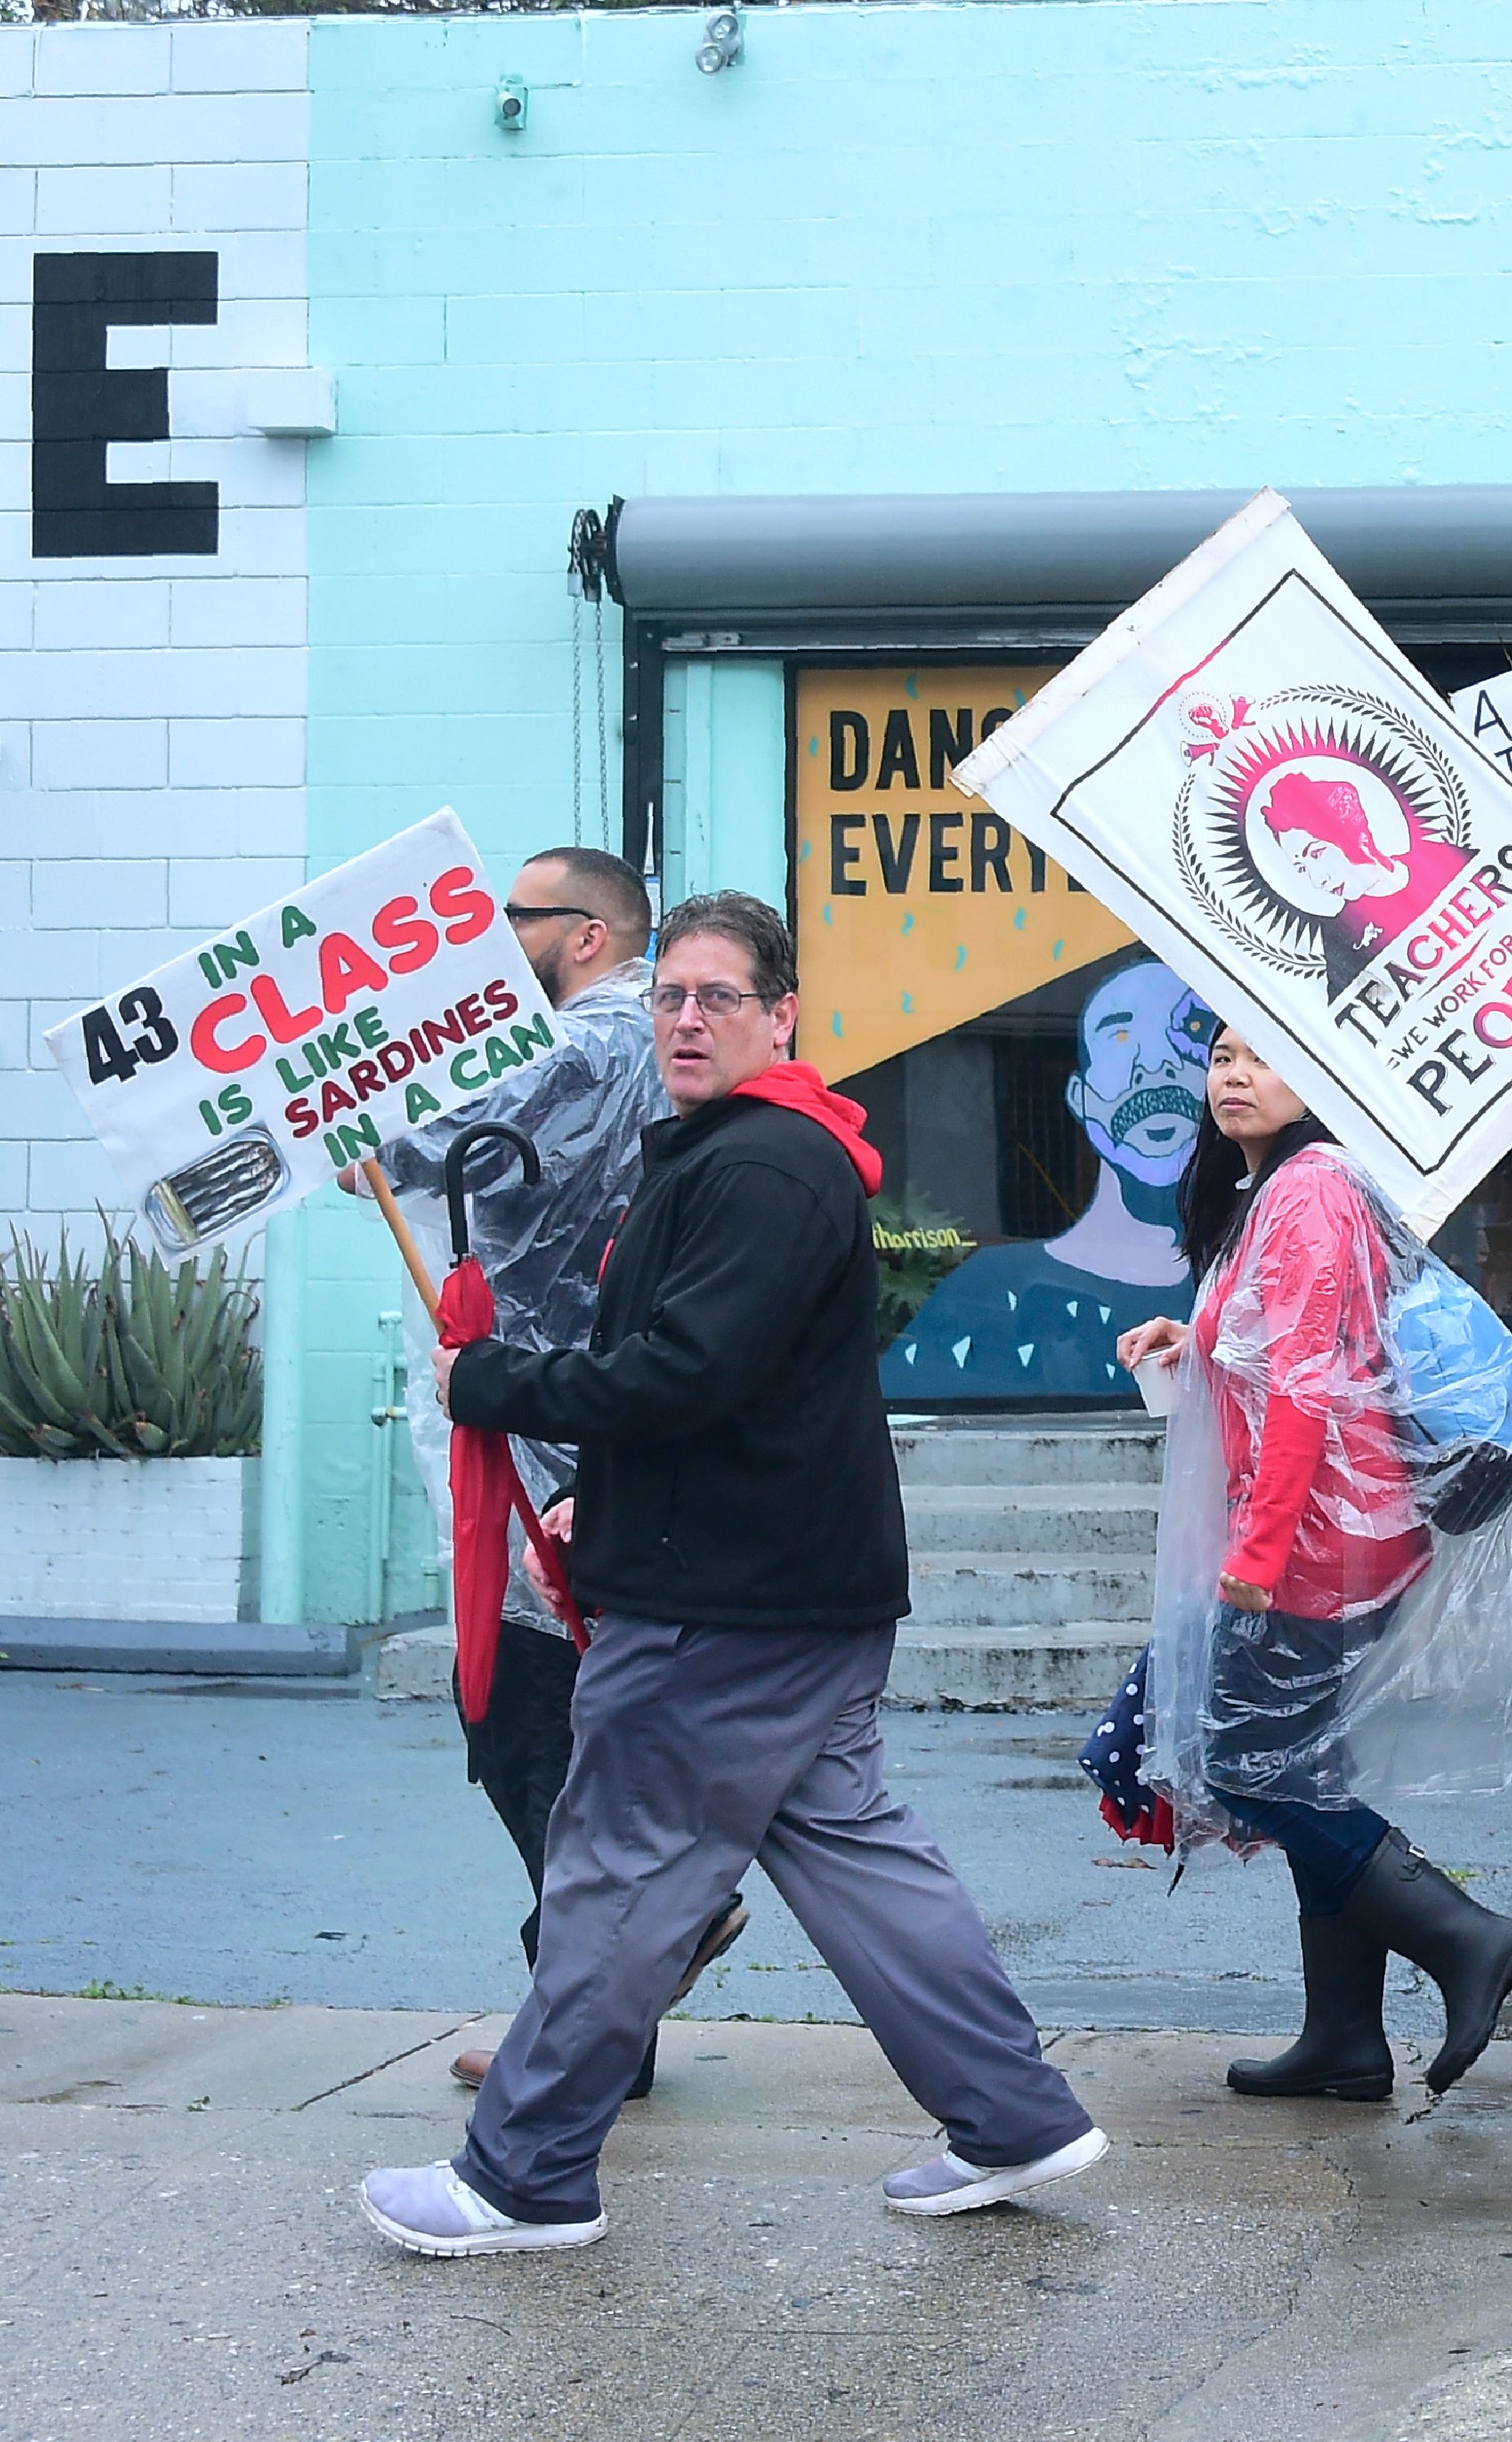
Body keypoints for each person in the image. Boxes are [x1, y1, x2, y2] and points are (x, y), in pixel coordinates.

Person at [361, 891, 1103, 2256]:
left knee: (619, 1868)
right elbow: (733, 1380)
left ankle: (522, 2175)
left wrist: (495, 1378)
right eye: (672, 997)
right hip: (781, 1580)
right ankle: (1015, 2112)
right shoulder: (752, 1154)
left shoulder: (758, 1166)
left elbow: (691, 1369)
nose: (688, 1018)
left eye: (718, 997)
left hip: (727, 1603)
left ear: (784, 1016)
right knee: (860, 1854)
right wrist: (604, 1483)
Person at [1081, 1015, 1512, 2103]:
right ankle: (1344, 2036)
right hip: (1328, 1537)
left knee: (1242, 1763)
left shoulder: (1308, 1187)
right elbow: (1293, 1347)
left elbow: (1305, 1385)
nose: (1237, 1074)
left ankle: (1466, 1938)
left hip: (1313, 1547)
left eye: (1264, 1054)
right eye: (1220, 1056)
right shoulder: (1282, 1193)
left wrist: (1252, 1557)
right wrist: (1188, 1337)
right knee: (1304, 1770)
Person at [357, 847, 750, 2095]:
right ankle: (599, 2005)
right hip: (580, 1424)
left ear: (585, 935)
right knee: (580, 1725)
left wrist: (329, 1097)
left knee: (524, 1728)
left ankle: (602, 2000)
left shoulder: (586, 1044)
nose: (488, 938)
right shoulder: (642, 1051)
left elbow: (423, 1150)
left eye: (511, 918)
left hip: (538, 1433)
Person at [886, 954, 1206, 1400]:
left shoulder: (1251, 1287)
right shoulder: (987, 1293)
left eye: (1187, 1035)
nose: (1154, 1066)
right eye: (1121, 1036)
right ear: (1079, 1098)